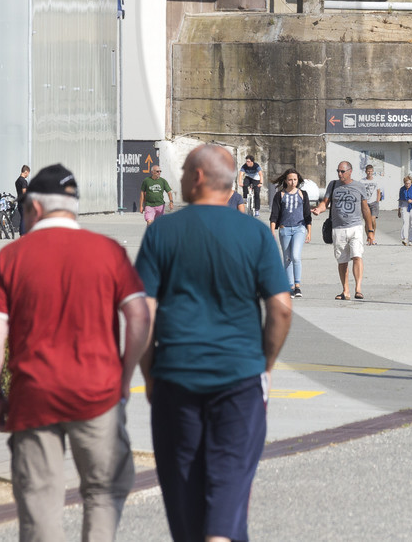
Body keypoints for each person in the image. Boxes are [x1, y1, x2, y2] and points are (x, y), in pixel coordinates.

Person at [0, 164, 149, 542]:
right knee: (104, 489)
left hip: (33, 394)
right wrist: (123, 379)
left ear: (34, 209)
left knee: (40, 501)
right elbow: (139, 317)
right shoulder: (107, 251)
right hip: (98, 393)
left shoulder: (11, 257)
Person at [136, 144, 292, 542]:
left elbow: (141, 315)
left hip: (176, 379)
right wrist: (265, 364)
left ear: (199, 178)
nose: (181, 177)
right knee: (229, 482)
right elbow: (281, 309)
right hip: (239, 378)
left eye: (185, 170)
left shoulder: (162, 233)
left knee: (183, 483)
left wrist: (150, 373)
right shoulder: (254, 234)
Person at [314, 160, 375, 299]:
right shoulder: (333, 184)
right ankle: (345, 290)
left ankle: (358, 289)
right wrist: (319, 209)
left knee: (357, 256)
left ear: (350, 171)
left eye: (342, 171)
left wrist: (370, 231)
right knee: (342, 260)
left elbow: (365, 209)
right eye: (338, 171)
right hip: (338, 228)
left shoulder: (359, 186)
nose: (340, 174)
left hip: (355, 227)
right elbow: (325, 203)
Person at [270, 168, 312, 296]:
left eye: (295, 179)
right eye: (290, 180)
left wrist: (309, 231)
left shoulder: (302, 194)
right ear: (286, 181)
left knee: (295, 256)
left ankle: (297, 286)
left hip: (299, 229)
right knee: (287, 258)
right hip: (284, 229)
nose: (293, 182)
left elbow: (307, 214)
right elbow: (274, 215)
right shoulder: (280, 195)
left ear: (298, 180)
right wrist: (272, 231)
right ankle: (290, 286)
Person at [362, 163, 382, 241]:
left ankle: (373, 235)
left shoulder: (376, 180)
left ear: (373, 171)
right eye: (368, 171)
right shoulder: (362, 181)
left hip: (374, 203)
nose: (369, 173)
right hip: (365, 203)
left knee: (373, 220)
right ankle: (368, 237)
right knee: (367, 221)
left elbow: (378, 191)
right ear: (366, 172)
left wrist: (377, 201)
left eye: (371, 171)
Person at [397, 175, 412, 245]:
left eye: (409, 183)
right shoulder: (402, 189)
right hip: (404, 206)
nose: (407, 185)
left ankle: (410, 239)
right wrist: (399, 210)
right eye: (406, 183)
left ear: (411, 183)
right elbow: (400, 200)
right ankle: (405, 238)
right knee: (405, 222)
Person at [15, 165, 31, 235]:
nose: (28, 175)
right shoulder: (24, 181)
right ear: (26, 172)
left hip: (19, 202)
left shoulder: (17, 181)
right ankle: (23, 234)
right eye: (28, 173)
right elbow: (24, 192)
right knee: (24, 219)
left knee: (23, 218)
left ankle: (22, 234)